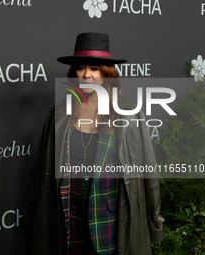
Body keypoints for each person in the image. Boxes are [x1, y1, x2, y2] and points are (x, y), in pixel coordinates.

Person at [23, 32, 164, 255]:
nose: (86, 75)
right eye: (81, 68)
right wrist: (32, 216)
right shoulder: (58, 115)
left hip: (111, 223)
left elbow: (148, 173)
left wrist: (154, 221)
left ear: (107, 74)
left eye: (94, 68)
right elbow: (42, 172)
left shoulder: (129, 116)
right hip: (68, 219)